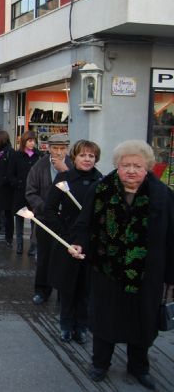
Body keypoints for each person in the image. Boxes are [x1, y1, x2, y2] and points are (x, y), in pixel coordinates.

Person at [68, 140, 174, 389]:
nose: (132, 170)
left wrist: (171, 275)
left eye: (138, 165)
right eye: (126, 165)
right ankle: (100, 364)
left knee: (142, 321)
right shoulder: (101, 189)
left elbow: (172, 237)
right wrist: (78, 244)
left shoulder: (163, 195)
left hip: (147, 273)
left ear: (148, 167)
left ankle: (139, 367)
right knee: (106, 319)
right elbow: (84, 224)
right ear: (117, 166)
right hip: (107, 268)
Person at [45, 140, 102, 344]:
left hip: (90, 241)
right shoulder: (64, 179)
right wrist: (65, 233)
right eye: (83, 155)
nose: (87, 159)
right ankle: (66, 324)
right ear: (74, 157)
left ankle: (82, 325)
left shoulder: (101, 181)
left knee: (86, 286)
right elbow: (49, 210)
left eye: (92, 156)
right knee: (68, 284)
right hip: (67, 239)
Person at [26, 133, 72, 304]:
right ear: (49, 148)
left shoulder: (72, 165)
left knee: (65, 257)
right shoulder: (40, 166)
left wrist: (66, 172)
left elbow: (77, 189)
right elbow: (30, 192)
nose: (59, 152)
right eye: (55, 148)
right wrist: (44, 208)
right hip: (46, 218)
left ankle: (63, 293)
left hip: (66, 219)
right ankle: (41, 291)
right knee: (44, 256)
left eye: (62, 148)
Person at [8, 130, 41, 255]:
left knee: (35, 221)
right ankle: (20, 245)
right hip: (20, 193)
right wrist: (17, 183)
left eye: (34, 141)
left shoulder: (39, 156)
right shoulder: (17, 156)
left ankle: (33, 245)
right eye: (29, 141)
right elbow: (10, 174)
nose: (32, 143)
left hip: (35, 193)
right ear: (24, 141)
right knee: (20, 219)